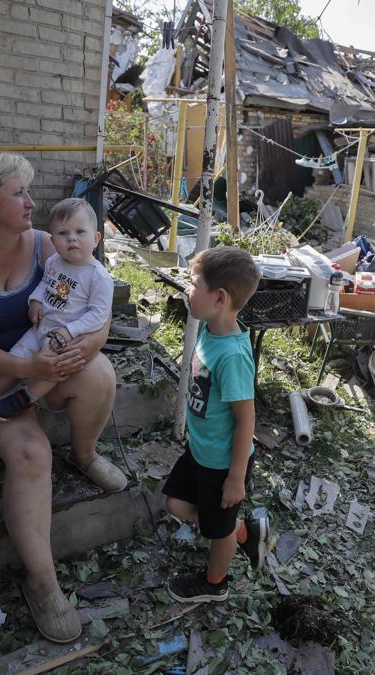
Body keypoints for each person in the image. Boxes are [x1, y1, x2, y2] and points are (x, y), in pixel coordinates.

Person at [0, 150, 126, 644]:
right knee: (31, 451)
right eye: (18, 192)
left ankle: (84, 454)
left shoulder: (47, 244)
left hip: (47, 355)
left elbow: (96, 314)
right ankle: (42, 583)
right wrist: (25, 368)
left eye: (28, 190)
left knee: (100, 372)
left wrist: (77, 350)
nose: (30, 201)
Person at [0, 197, 113, 423]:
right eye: (63, 233)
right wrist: (35, 301)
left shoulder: (98, 276)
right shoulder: (54, 262)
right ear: (53, 239)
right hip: (40, 328)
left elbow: (99, 314)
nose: (72, 238)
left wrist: (70, 331)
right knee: (16, 358)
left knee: (56, 367)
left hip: (66, 338)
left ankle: (25, 397)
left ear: (96, 238)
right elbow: (45, 285)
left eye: (80, 232)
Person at [162, 246, 270, 603]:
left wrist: (236, 479)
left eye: (193, 285)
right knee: (175, 505)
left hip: (223, 467)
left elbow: (245, 421)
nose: (186, 291)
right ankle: (239, 530)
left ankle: (215, 583)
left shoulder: (234, 357)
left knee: (216, 532)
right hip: (200, 453)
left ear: (220, 298)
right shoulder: (209, 328)